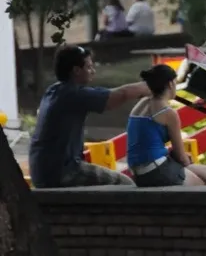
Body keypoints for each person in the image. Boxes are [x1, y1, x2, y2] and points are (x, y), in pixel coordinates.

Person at [29, 44, 150, 188]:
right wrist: (151, 86)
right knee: (125, 183)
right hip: (63, 171)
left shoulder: (53, 91)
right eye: (89, 67)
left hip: (41, 171)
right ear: (76, 71)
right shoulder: (74, 94)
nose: (93, 71)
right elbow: (119, 95)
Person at [127, 64, 206, 187]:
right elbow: (181, 156)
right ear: (171, 84)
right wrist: (186, 163)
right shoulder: (168, 112)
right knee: (203, 182)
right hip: (156, 170)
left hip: (138, 172)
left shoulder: (142, 104)